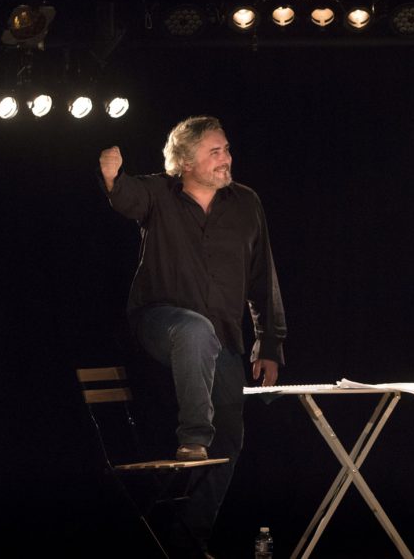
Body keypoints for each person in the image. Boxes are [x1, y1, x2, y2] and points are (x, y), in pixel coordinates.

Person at [99, 115, 287, 557]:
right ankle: (193, 438)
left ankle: (187, 537)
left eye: (227, 149)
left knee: (231, 437)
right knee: (193, 329)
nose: (226, 159)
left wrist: (269, 342)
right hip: (158, 321)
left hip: (221, 336)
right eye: (214, 152)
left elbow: (262, 277)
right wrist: (110, 177)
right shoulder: (159, 193)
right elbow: (126, 197)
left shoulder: (246, 203)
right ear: (185, 162)